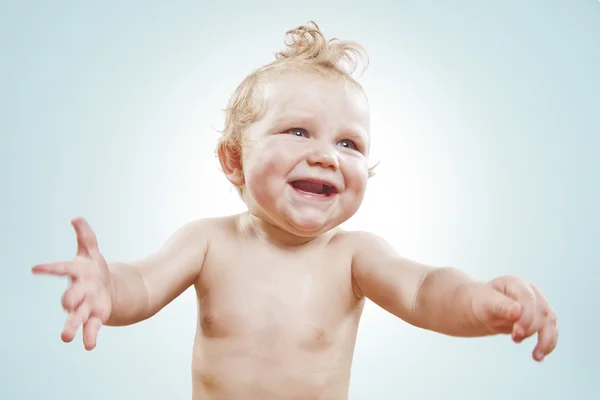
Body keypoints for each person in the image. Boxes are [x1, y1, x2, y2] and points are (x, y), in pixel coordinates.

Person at [32, 21, 558, 400]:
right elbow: (142, 287)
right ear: (234, 159)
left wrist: (480, 303)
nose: (326, 155)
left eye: (350, 144)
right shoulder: (207, 243)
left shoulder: (354, 255)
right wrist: (108, 287)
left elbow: (423, 292)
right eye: (298, 131)